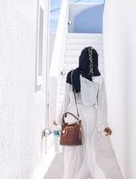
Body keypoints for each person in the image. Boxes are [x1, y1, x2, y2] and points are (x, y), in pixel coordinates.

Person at [53, 46, 112, 179]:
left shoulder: (71, 74)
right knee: (89, 147)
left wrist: (58, 119)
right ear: (95, 61)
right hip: (91, 115)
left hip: (73, 114)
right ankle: (85, 175)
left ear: (81, 58)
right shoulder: (99, 78)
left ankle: (71, 175)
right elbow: (102, 103)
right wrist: (104, 125)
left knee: (73, 149)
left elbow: (66, 100)